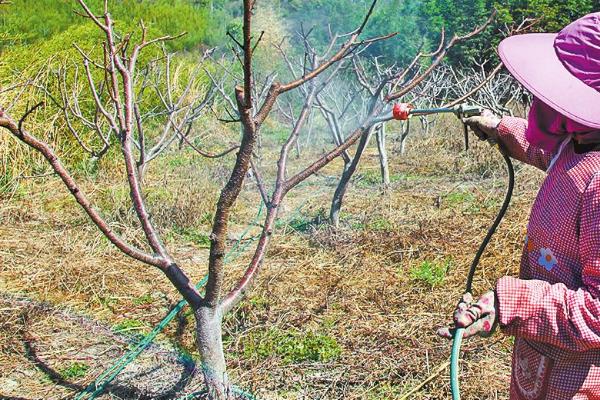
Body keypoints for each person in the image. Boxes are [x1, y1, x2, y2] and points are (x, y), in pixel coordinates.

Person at [437, 12, 600, 400]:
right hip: (542, 359)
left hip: (577, 380)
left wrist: (511, 302)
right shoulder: (580, 142)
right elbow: (552, 155)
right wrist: (500, 127)